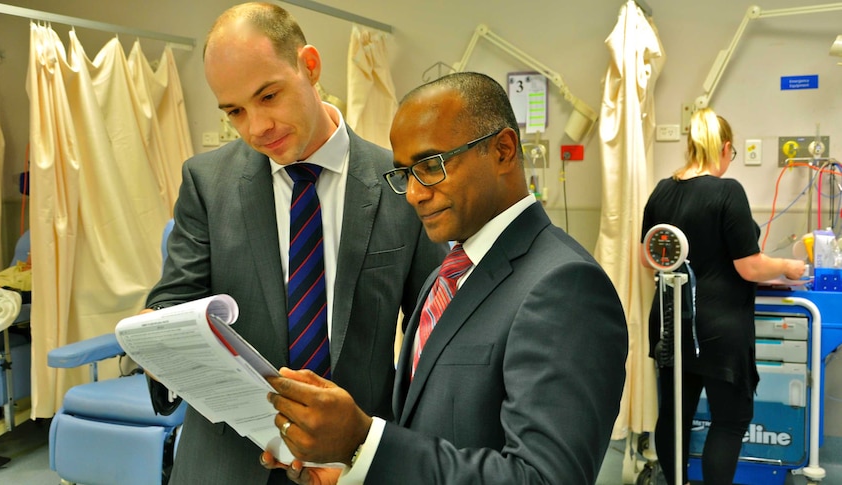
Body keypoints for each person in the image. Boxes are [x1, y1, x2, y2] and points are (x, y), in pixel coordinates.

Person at [260, 71, 629, 484]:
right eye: (404, 174)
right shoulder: (446, 276)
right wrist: (351, 465)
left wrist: (363, 440)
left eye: (430, 165)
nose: (415, 193)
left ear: (503, 150)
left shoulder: (564, 286)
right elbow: (427, 433)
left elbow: (542, 478)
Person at [143, 3, 448, 484]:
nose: (256, 127)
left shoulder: (399, 184)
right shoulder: (206, 182)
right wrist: (159, 341)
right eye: (235, 112)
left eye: (268, 96)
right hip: (227, 463)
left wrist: (409, 450)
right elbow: (172, 300)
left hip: (352, 460)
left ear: (309, 65)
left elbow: (434, 336)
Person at [640, 108, 806, 485]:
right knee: (730, 419)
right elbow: (749, 267)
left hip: (670, 323)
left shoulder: (662, 190)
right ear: (726, 148)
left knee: (674, 415)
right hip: (718, 328)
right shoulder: (727, 192)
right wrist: (785, 266)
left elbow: (647, 257)